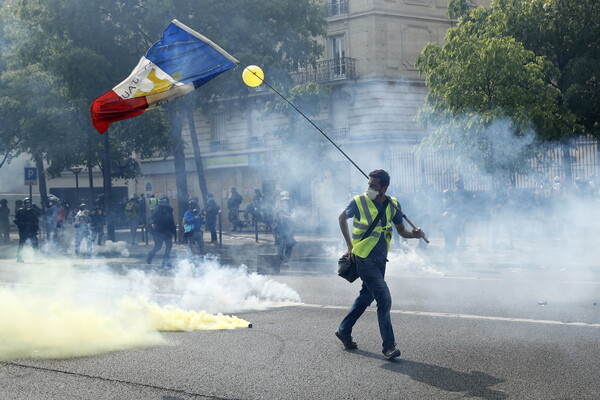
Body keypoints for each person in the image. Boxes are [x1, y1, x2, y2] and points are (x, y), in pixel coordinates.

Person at [336, 169, 424, 360]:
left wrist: (415, 234)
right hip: (363, 257)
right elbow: (341, 218)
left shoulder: (393, 204)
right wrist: (350, 246)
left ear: (384, 188)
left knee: (366, 297)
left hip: (380, 258)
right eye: (369, 184)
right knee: (384, 298)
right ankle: (388, 347)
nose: (369, 188)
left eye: (374, 186)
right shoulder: (358, 201)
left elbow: (401, 231)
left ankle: (343, 330)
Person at [147, 196, 177, 267]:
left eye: (165, 202)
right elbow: (151, 220)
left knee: (169, 246)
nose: (164, 204)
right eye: (162, 202)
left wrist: (173, 231)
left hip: (167, 232)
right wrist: (152, 225)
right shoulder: (157, 211)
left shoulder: (169, 210)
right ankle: (150, 255)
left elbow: (171, 222)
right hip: (158, 232)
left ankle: (165, 261)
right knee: (158, 247)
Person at [273, 191, 296, 266]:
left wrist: (287, 217)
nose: (285, 203)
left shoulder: (292, 209)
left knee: (289, 245)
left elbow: (294, 218)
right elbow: (277, 217)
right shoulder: (278, 209)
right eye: (283, 201)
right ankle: (280, 260)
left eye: (286, 201)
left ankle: (286, 261)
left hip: (289, 230)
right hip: (280, 230)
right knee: (280, 246)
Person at [14, 197, 40, 263]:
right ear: (24, 204)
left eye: (29, 203)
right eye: (26, 203)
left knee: (35, 245)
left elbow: (37, 220)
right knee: (21, 245)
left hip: (32, 230)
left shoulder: (34, 211)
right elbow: (15, 220)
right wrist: (22, 224)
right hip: (23, 230)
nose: (28, 204)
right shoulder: (20, 211)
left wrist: (36, 228)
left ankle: (36, 258)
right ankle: (19, 257)